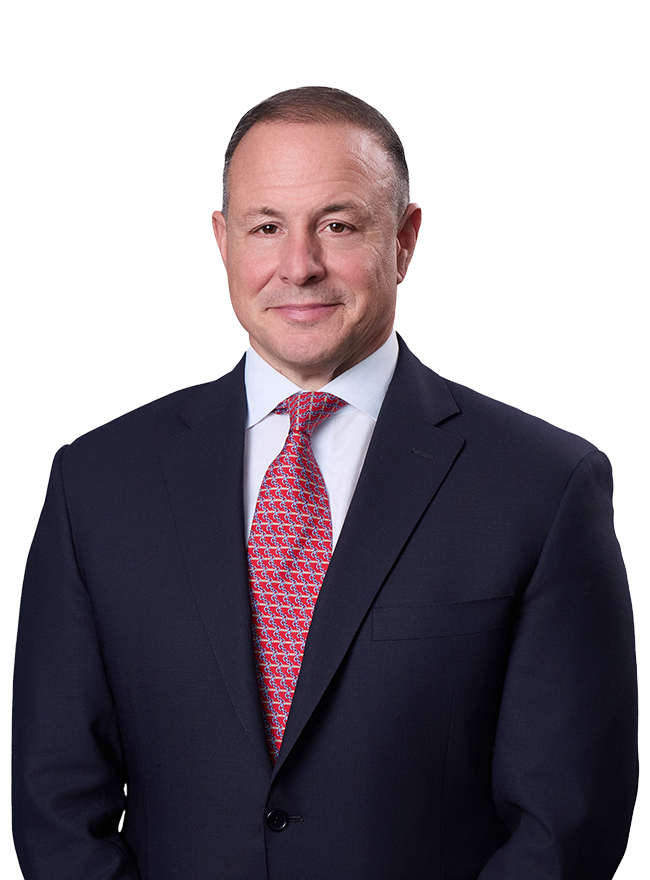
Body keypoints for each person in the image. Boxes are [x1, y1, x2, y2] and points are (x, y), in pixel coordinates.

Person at [12, 86, 637, 880]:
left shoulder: (543, 488)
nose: (299, 266)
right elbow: (57, 802)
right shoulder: (99, 484)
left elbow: (565, 824)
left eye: (338, 226)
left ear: (404, 240)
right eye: (266, 227)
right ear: (223, 242)